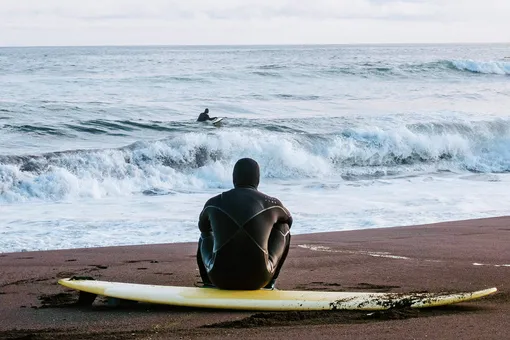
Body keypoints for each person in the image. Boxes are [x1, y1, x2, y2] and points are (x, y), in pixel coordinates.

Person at [196, 158, 293, 290]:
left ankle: (207, 282)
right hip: (259, 279)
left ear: (233, 178)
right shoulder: (271, 203)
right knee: (283, 227)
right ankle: (270, 283)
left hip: (219, 278)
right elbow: (289, 220)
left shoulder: (214, 202)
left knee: (206, 233)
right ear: (257, 179)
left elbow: (202, 227)